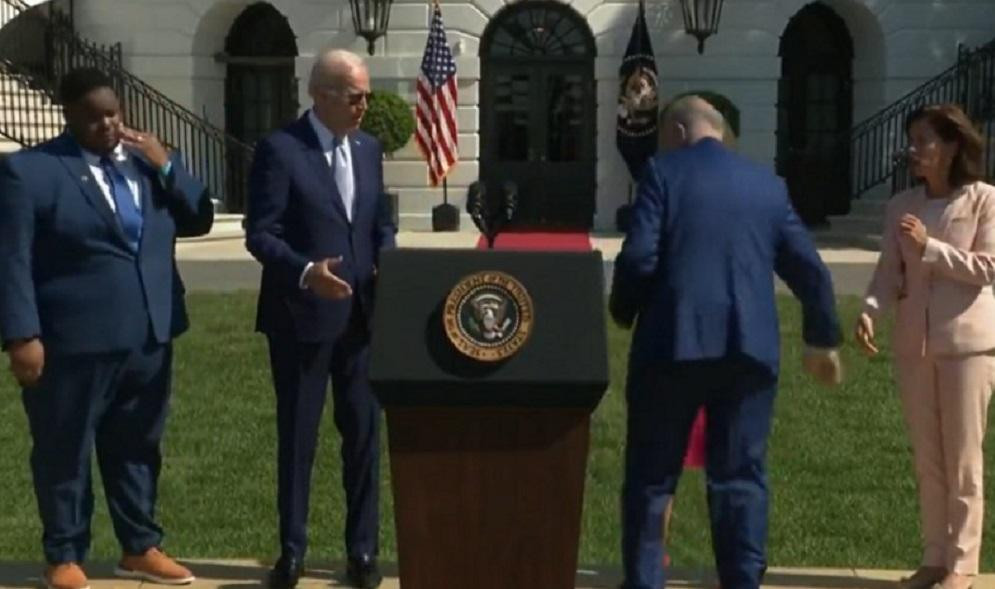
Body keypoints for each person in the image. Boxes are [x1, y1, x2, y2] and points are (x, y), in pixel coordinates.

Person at [610, 95, 842, 589]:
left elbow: (638, 260)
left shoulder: (662, 174)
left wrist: (623, 310)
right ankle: (741, 581)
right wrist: (821, 339)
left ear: (676, 131)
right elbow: (811, 272)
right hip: (748, 348)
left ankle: (645, 582)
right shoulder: (768, 186)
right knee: (740, 477)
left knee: (653, 479)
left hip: (672, 346)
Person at [0, 67, 213, 589]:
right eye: (93, 117)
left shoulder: (148, 165)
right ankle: (64, 555)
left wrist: (167, 167)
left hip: (149, 334)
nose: (107, 125)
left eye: (113, 113)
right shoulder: (32, 172)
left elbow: (198, 218)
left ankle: (140, 546)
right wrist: (21, 335)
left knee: (138, 447)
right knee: (64, 449)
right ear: (68, 115)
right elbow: (11, 260)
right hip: (70, 342)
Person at [245, 48, 396, 589]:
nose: (364, 106)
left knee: (362, 437)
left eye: (366, 96)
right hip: (301, 319)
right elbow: (260, 233)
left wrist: (387, 254)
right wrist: (307, 271)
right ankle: (292, 552)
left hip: (361, 320)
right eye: (356, 96)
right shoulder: (281, 150)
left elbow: (379, 220)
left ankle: (362, 552)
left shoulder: (370, 148)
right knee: (299, 439)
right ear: (321, 95)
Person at [856, 103, 995, 589]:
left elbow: (988, 268)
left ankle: (962, 564)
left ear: (952, 145)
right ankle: (934, 557)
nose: (913, 151)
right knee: (927, 456)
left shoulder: (984, 200)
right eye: (911, 141)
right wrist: (871, 309)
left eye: (923, 141)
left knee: (962, 458)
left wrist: (931, 248)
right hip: (914, 345)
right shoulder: (902, 207)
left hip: (966, 346)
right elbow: (888, 273)